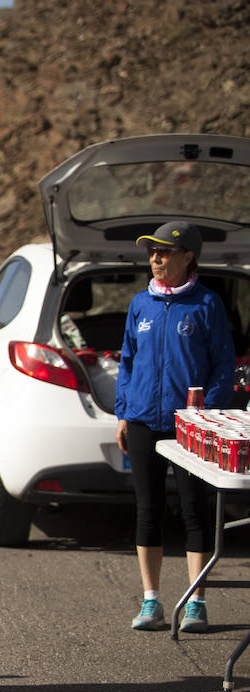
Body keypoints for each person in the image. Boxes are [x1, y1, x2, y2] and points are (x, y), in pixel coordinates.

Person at [117, 221, 235, 633]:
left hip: (190, 427)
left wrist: (209, 414)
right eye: (152, 252)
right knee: (148, 510)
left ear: (188, 257)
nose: (156, 258)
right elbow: (127, 362)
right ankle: (151, 602)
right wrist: (123, 412)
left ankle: (196, 603)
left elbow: (224, 363)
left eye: (165, 252)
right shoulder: (140, 303)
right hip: (144, 421)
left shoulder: (206, 304)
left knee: (194, 511)